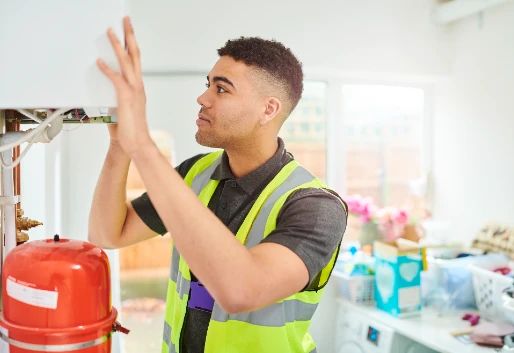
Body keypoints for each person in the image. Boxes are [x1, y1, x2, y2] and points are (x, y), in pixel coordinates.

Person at [88, 16, 347, 353]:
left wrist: (142, 144)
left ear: (268, 110)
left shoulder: (316, 207)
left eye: (221, 88)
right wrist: (120, 145)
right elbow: (107, 234)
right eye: (208, 84)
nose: (202, 97)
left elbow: (242, 291)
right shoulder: (195, 173)